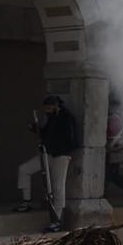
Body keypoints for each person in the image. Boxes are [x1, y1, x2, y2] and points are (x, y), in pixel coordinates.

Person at [16, 94, 77, 231]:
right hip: (47, 154)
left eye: (49, 108)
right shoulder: (52, 118)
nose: (47, 111)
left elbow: (70, 140)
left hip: (60, 156)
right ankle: (26, 201)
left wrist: (54, 145)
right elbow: (46, 134)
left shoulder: (67, 118)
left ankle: (57, 220)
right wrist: (35, 129)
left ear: (56, 106)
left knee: (57, 187)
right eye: (46, 109)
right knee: (24, 169)